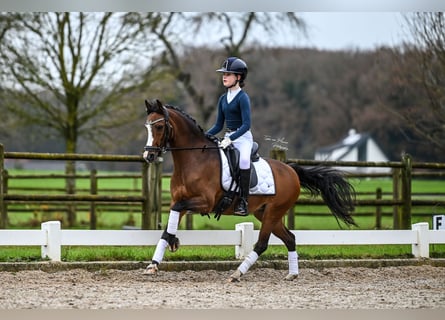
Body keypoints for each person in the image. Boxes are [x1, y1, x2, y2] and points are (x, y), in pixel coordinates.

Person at [206, 56, 253, 216]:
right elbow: (219, 125)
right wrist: (203, 136)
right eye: (223, 74)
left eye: (228, 74)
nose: (224, 77)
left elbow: (247, 125)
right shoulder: (222, 99)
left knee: (244, 160)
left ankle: (243, 201)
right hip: (227, 137)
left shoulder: (242, 98)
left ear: (238, 77)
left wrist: (230, 139)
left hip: (243, 138)